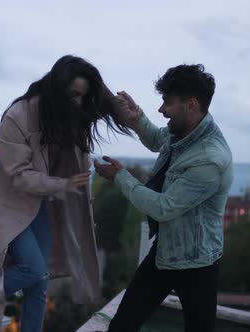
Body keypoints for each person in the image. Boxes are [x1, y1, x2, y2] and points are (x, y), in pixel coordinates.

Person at [0, 55, 131, 332]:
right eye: (74, 94)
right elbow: (18, 176)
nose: (78, 102)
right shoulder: (18, 115)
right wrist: (62, 185)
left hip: (39, 205)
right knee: (33, 269)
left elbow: (100, 107)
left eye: (83, 96)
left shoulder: (67, 115)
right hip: (8, 205)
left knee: (39, 284)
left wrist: (123, 108)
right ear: (56, 88)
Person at [94, 64, 233, 332]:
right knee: (121, 327)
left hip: (198, 265)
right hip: (166, 253)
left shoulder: (210, 159)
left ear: (190, 105)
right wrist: (136, 118)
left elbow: (163, 208)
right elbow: (159, 139)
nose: (161, 110)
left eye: (167, 103)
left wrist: (120, 177)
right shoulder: (186, 131)